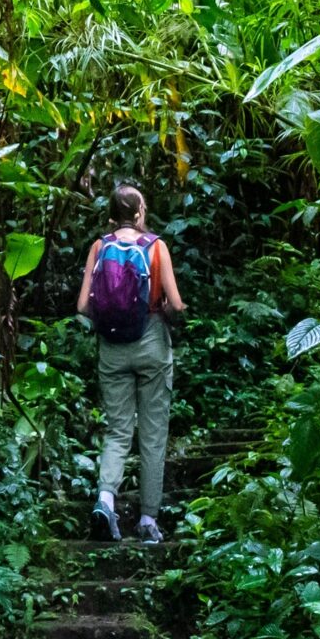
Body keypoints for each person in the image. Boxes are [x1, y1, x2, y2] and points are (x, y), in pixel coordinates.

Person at [76, 181, 185, 543]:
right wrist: (166, 312)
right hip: (152, 343)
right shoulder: (156, 247)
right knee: (152, 436)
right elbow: (176, 304)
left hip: (112, 347)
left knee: (118, 431)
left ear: (112, 214)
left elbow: (82, 307)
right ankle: (148, 522)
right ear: (139, 213)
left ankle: (105, 502)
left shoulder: (99, 246)